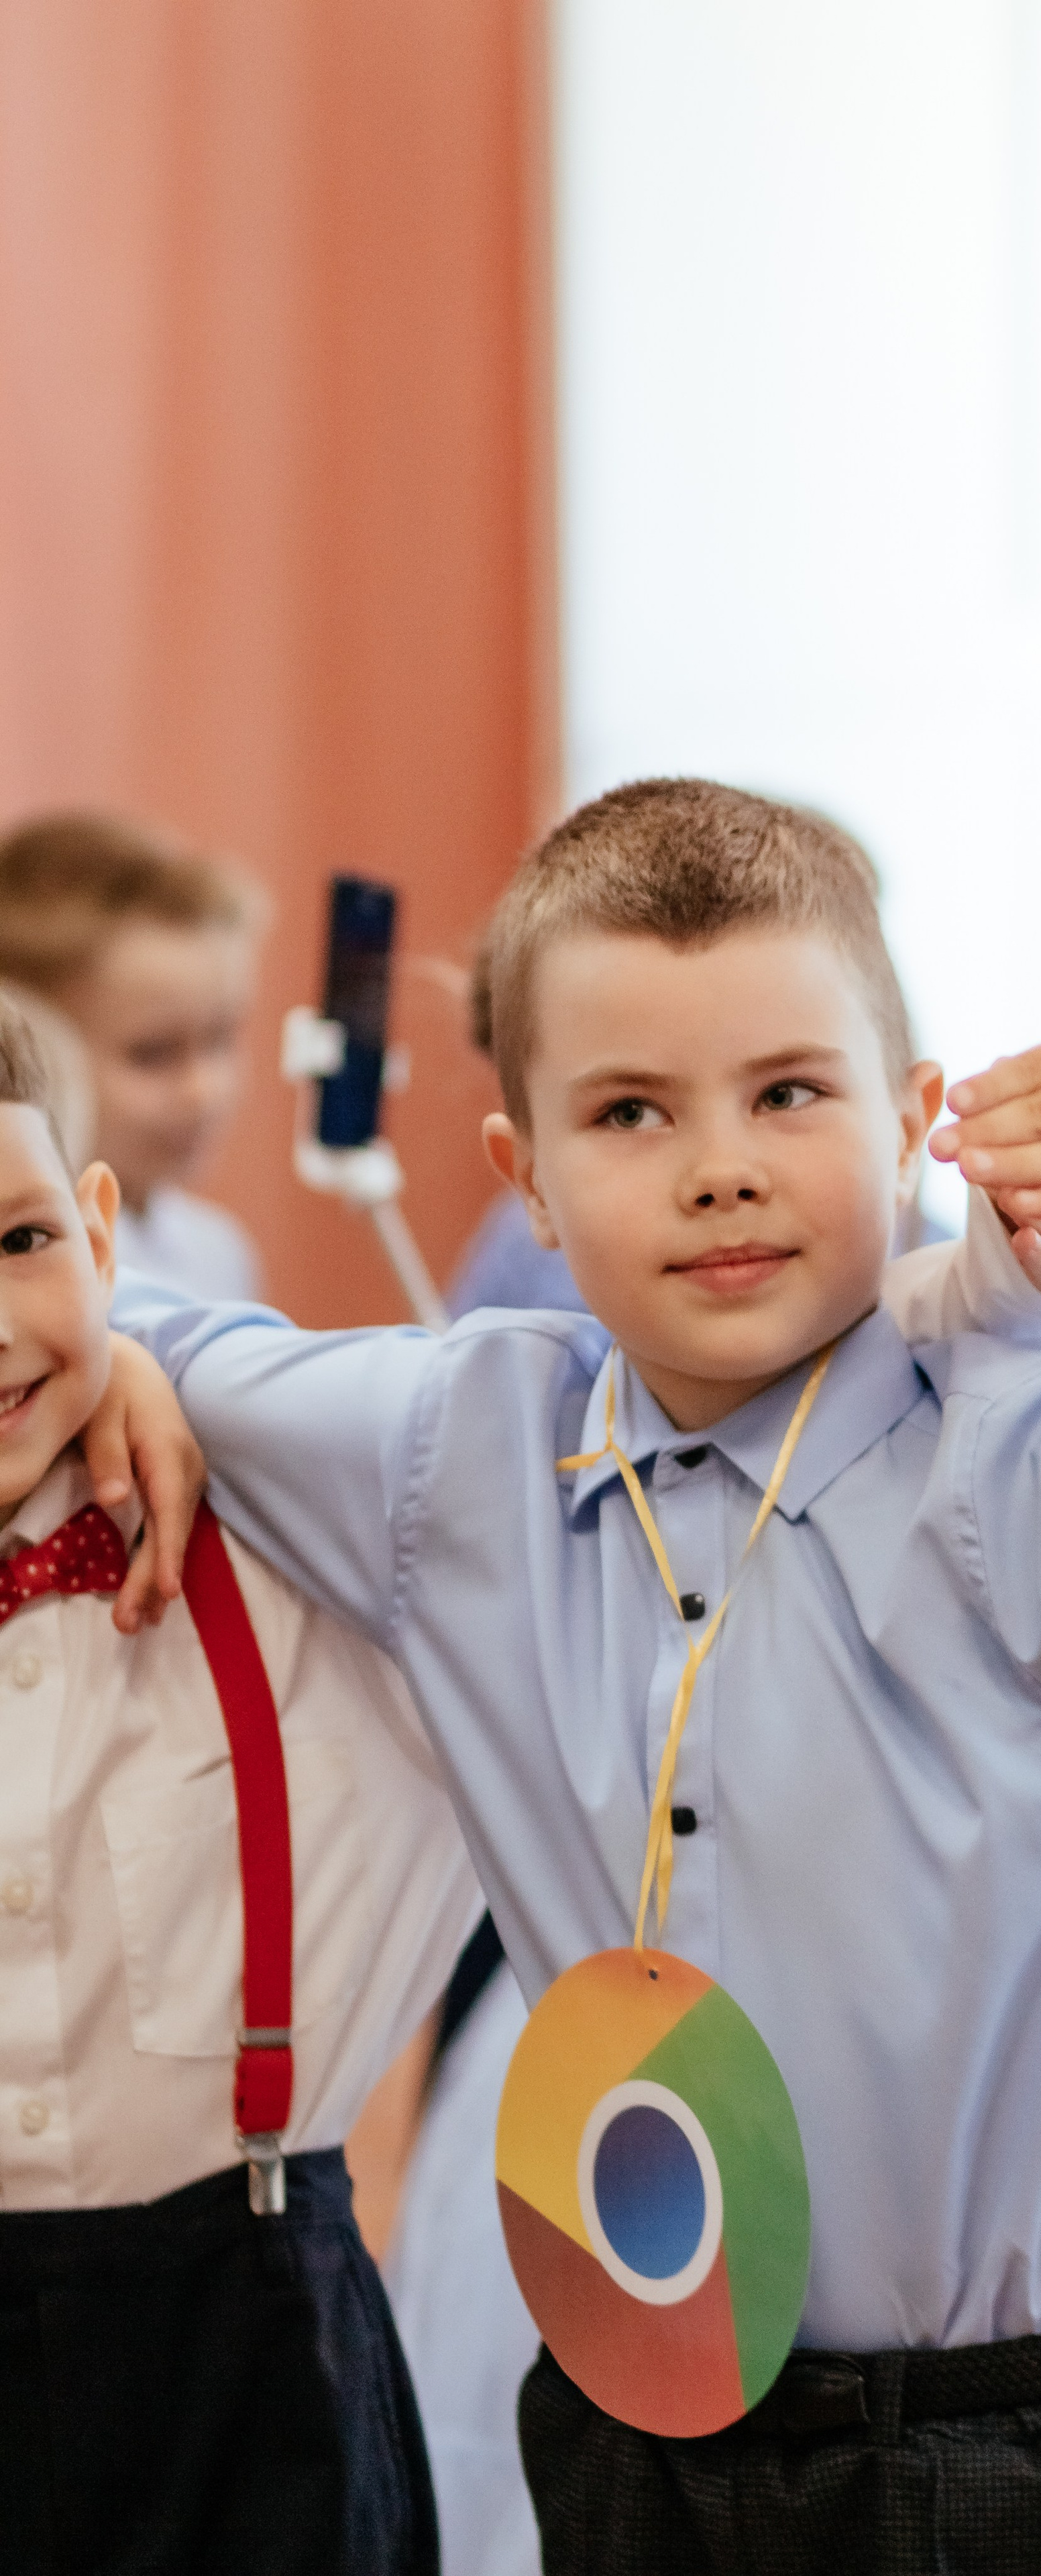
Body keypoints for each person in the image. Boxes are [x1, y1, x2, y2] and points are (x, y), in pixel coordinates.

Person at [104, 775, 1041, 2576]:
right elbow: (127, 1324)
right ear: (526, 1180)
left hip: (1018, 2451)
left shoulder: (1034, 1475)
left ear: (913, 1122)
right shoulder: (458, 1454)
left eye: (790, 1092)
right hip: (643, 2448)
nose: (721, 1163)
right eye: (630, 1111)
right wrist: (96, 1349)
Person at [0, 989, 487, 2574]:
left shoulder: (305, 1543)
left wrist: (166, 1353)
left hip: (263, 2361)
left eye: (19, 1244)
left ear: (96, 1225)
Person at [0, 810, 263, 1299]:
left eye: (220, 1038)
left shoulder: (218, 1252)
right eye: (154, 1054)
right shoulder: (27, 1275)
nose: (204, 1090)